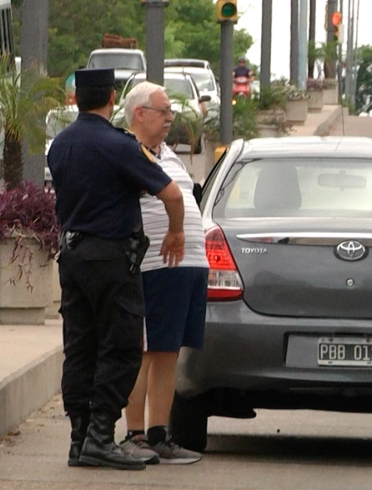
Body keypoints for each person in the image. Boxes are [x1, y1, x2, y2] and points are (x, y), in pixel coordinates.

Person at [47, 68, 186, 471]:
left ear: (76, 99)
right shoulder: (120, 145)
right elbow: (172, 194)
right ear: (112, 98)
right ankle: (101, 436)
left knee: (80, 348)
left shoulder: (61, 144)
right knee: (122, 347)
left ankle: (80, 438)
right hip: (111, 259)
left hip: (72, 256)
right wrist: (176, 233)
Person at [119, 82, 208, 465]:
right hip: (155, 264)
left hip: (189, 265)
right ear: (140, 113)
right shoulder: (127, 152)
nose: (171, 117)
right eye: (164, 110)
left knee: (169, 351)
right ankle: (135, 434)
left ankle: (159, 434)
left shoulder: (168, 154)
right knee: (144, 351)